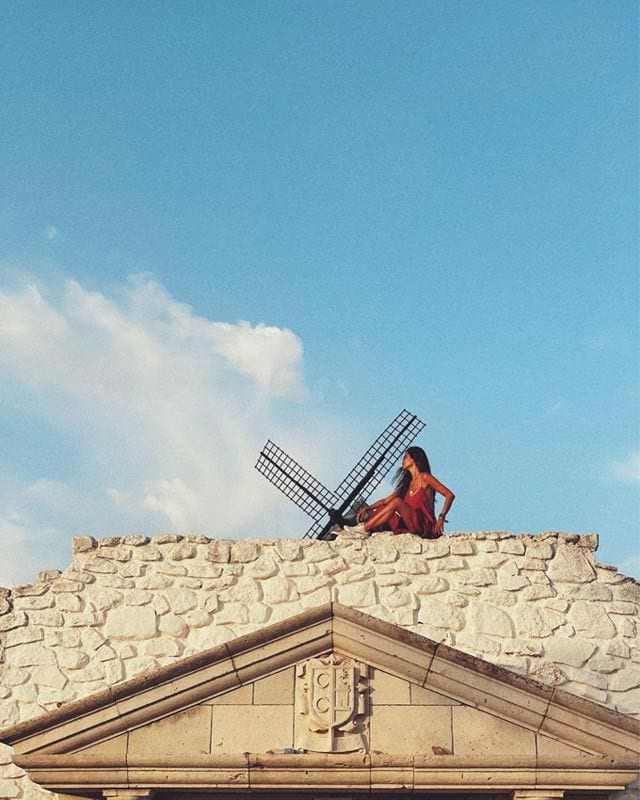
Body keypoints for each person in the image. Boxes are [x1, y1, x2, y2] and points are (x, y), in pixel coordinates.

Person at [356, 446, 454, 538]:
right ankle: (367, 529)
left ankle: (364, 528)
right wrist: (368, 508)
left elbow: (449, 495)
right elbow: (385, 501)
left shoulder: (425, 477)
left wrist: (441, 517)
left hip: (423, 525)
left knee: (397, 502)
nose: (403, 460)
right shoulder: (407, 485)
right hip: (409, 525)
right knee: (384, 507)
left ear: (413, 459)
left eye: (405, 457)